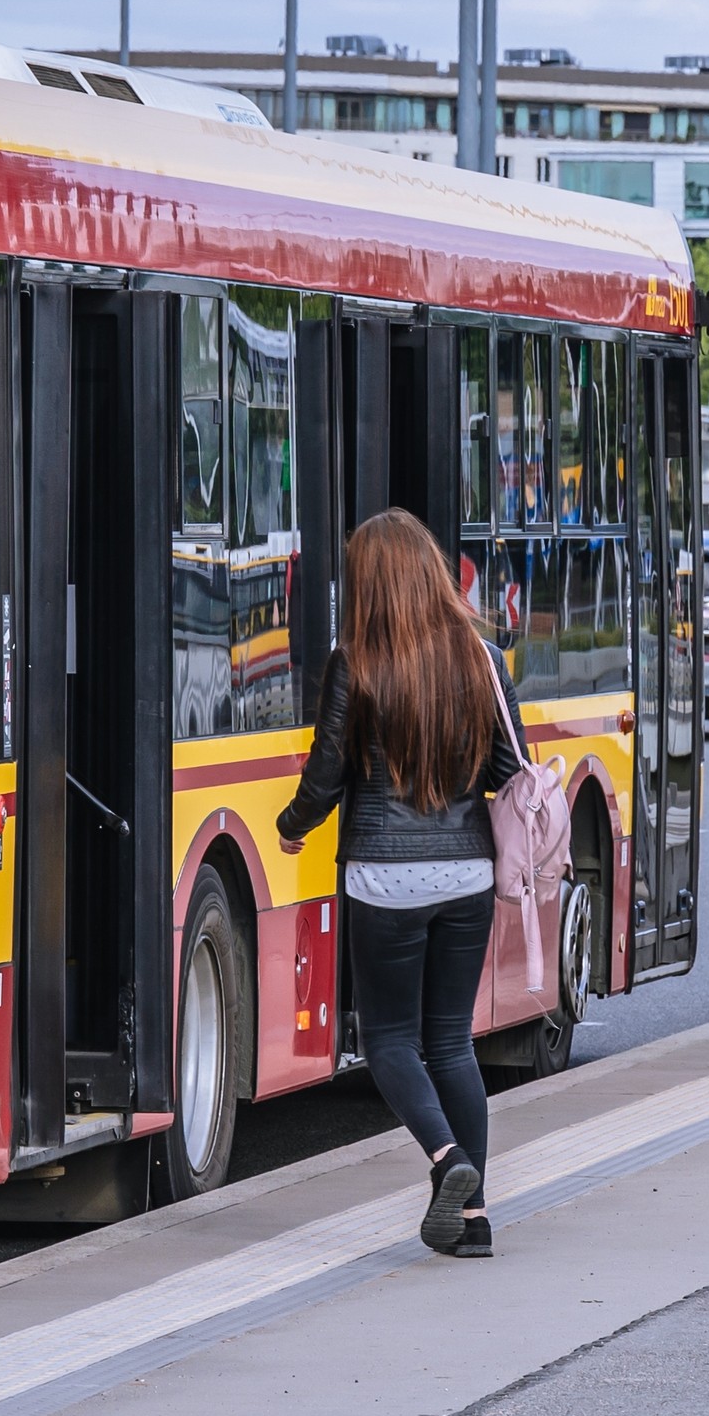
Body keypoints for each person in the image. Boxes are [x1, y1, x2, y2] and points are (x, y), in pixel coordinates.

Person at [277, 510, 527, 1259]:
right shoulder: (482, 659)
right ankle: (474, 1221)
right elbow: (509, 773)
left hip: (383, 879)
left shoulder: (356, 661)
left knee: (385, 1038)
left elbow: (325, 776)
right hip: (467, 872)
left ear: (369, 582)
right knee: (451, 1042)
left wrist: (293, 825)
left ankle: (447, 1159)